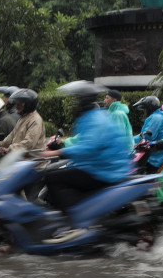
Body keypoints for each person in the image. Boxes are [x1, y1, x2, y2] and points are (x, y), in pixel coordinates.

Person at [37, 81, 134, 242]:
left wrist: (57, 152)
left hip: (104, 170)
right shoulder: (97, 115)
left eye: (76, 100)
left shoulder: (94, 118)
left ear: (83, 101)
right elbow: (84, 142)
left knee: (52, 176)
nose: (74, 104)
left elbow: (89, 147)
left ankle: (76, 224)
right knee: (60, 172)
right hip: (104, 166)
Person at [0, 88, 45, 154]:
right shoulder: (22, 118)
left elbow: (29, 142)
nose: (17, 106)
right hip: (18, 157)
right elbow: (10, 138)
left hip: (31, 159)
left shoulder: (35, 120)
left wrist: (10, 149)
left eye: (20, 104)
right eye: (17, 103)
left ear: (28, 105)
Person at [134, 95, 163, 170]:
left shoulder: (155, 118)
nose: (144, 112)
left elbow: (145, 137)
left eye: (144, 109)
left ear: (149, 108)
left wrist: (127, 141)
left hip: (154, 158)